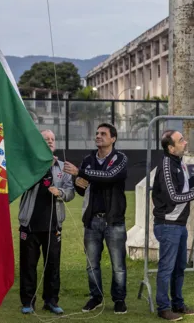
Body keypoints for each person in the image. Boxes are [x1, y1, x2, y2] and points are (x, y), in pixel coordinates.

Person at [63, 123, 128, 314]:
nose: (98, 136)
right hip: (91, 220)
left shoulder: (120, 158)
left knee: (118, 265)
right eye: (97, 133)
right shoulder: (88, 159)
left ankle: (119, 299)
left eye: (103, 134)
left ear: (113, 139)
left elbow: (109, 176)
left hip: (114, 220)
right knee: (92, 265)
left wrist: (80, 173)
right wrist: (78, 182)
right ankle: (96, 297)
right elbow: (82, 188)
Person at [151, 129, 194, 321]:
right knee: (166, 267)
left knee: (179, 266)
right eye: (181, 140)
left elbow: (181, 188)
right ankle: (163, 308)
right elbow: (174, 197)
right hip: (168, 225)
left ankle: (178, 304)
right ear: (171, 147)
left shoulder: (179, 163)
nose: (185, 142)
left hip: (179, 225)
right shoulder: (166, 165)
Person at [18, 129, 75, 315]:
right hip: (30, 224)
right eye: (46, 139)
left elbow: (70, 191)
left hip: (53, 226)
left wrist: (61, 193)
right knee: (28, 265)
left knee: (52, 265)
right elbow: (20, 185)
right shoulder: (29, 165)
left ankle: (51, 301)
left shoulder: (62, 166)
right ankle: (28, 302)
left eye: (52, 139)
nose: (50, 141)